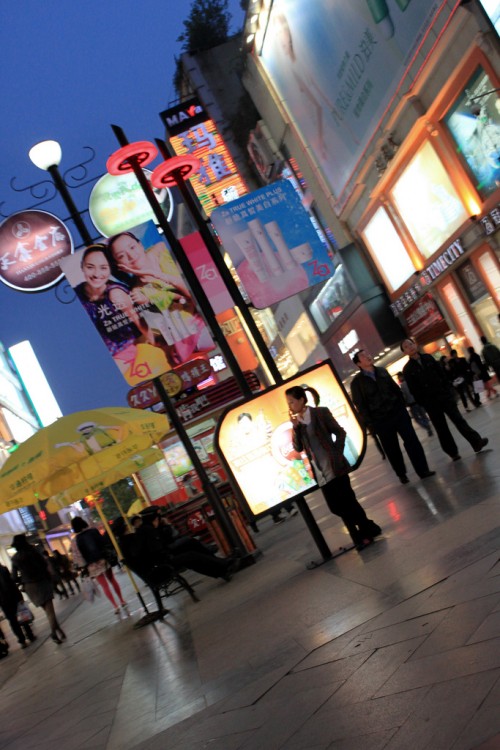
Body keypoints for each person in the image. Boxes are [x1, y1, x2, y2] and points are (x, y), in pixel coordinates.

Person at [285, 384, 381, 550]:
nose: (290, 406)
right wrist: (295, 428)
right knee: (335, 507)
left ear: (302, 399)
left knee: (349, 501)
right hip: (320, 473)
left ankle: (362, 535)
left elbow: (340, 432)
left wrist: (337, 451)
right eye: (288, 403)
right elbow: (298, 448)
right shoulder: (298, 424)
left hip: (335, 466)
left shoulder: (320, 413)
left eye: (292, 401)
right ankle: (368, 525)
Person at [107, 232, 213, 366]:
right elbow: (158, 334)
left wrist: (153, 273)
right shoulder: (138, 292)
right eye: (121, 256)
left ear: (140, 245)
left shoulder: (161, 251)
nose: (131, 256)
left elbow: (195, 294)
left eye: (132, 247)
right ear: (119, 265)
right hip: (191, 336)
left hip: (211, 312)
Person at [350, 350, 435, 484]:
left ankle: (423, 470)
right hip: (381, 420)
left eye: (367, 354)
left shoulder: (382, 371)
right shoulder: (357, 383)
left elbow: (395, 389)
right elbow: (360, 405)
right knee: (392, 448)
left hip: (397, 412)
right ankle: (401, 473)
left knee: (412, 440)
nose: (367, 356)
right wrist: (371, 424)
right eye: (363, 356)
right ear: (358, 363)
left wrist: (402, 407)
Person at [401, 338, 489, 461]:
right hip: (430, 403)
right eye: (406, 346)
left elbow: (441, 374)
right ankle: (452, 452)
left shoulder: (428, 358)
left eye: (411, 344)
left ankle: (476, 442)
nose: (410, 347)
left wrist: (447, 390)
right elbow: (413, 390)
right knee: (441, 428)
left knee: (459, 420)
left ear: (415, 345)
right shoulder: (408, 369)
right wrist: (424, 403)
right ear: (404, 352)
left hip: (443, 396)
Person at [75, 245, 155, 368]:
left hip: (126, 349)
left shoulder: (116, 293)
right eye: (90, 267)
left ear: (110, 269)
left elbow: (138, 321)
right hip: (101, 355)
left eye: (103, 268)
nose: (97, 274)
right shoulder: (77, 294)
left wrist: (157, 345)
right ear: (82, 266)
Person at [11, 534, 66, 644]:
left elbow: (14, 577)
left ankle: (59, 630)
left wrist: (22, 580)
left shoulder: (15, 558)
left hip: (30, 587)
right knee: (50, 612)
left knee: (48, 612)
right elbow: (44, 564)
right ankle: (54, 633)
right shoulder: (33, 551)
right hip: (41, 582)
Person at [70, 517, 129, 619]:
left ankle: (115, 606)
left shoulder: (76, 540)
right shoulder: (93, 531)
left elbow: (78, 556)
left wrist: (84, 567)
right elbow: (103, 543)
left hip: (92, 565)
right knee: (112, 580)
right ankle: (122, 601)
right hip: (103, 560)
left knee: (104, 586)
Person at [0, 563, 36, 649]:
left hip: (3, 601)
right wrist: (19, 596)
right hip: (13, 597)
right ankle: (30, 635)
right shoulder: (3, 569)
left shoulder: (3, 569)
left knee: (13, 621)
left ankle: (22, 641)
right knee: (22, 616)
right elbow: (12, 584)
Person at [396, 372, 433, 437]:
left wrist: (405, 403)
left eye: (399, 377)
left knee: (417, 419)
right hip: (418, 401)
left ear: (401, 377)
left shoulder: (402, 385)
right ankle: (427, 425)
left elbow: (404, 396)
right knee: (423, 415)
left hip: (412, 404)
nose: (398, 379)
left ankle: (427, 426)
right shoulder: (410, 381)